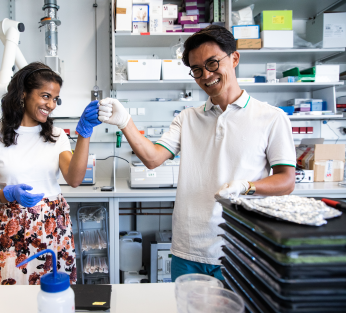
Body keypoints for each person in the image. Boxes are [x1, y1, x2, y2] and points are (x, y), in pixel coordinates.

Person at [98, 25, 296, 281]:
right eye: (197, 70)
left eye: (212, 63)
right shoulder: (187, 118)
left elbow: (286, 180)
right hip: (189, 249)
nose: (206, 75)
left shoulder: (271, 118)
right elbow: (152, 158)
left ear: (234, 58)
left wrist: (246, 186)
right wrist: (125, 122)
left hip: (240, 249)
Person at [0, 62, 101, 285]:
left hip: (54, 228)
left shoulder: (56, 135)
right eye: (45, 96)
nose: (51, 105)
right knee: (15, 298)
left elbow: (74, 179)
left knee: (56, 297)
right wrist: (6, 195)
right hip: (14, 233)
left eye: (55, 99)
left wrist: (84, 134)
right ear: (23, 93)